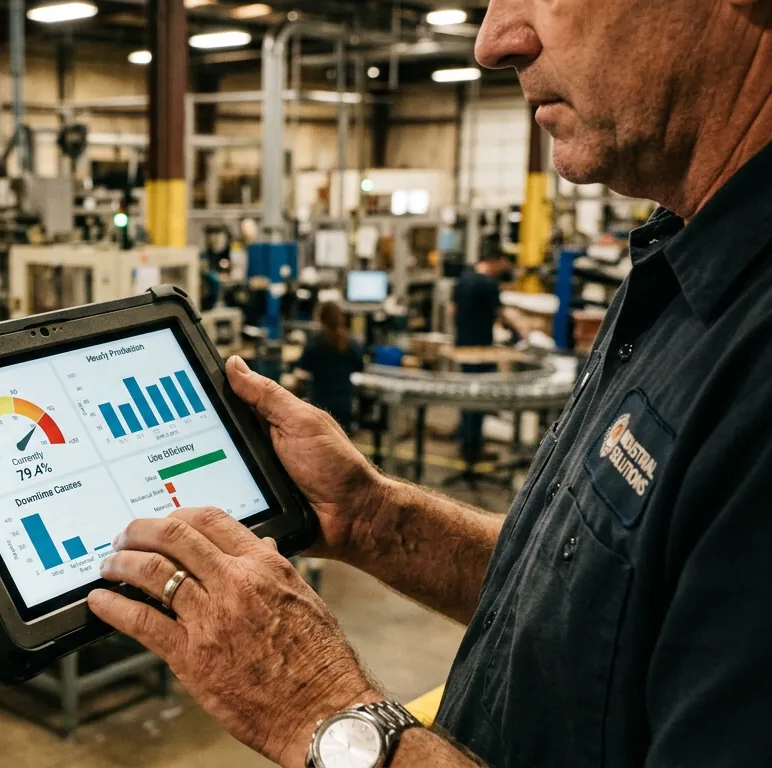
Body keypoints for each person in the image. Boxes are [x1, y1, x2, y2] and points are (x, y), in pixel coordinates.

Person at [87, 0, 772, 765]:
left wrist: (320, 711)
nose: (493, 41)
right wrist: (372, 517)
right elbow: (600, 605)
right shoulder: (680, 269)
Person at [451, 252, 508, 466]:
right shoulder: (489, 284)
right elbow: (500, 315)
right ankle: (473, 448)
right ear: (494, 262)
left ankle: (465, 441)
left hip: (463, 347)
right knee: (480, 397)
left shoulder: (462, 279)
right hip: (482, 349)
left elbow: (452, 310)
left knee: (467, 395)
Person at [294, 302, 363, 432]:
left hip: (321, 403)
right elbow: (360, 366)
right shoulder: (351, 344)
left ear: (320, 319)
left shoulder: (314, 345)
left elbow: (302, 369)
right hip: (344, 402)